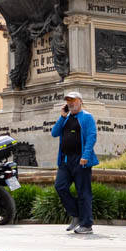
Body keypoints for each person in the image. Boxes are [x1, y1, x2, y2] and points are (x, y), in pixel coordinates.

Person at [51, 90, 97, 235]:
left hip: (81, 159)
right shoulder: (65, 117)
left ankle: (86, 224)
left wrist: (86, 155)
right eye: (68, 101)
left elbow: (91, 137)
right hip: (65, 160)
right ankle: (76, 215)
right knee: (60, 186)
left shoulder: (87, 117)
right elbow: (54, 133)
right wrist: (61, 116)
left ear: (80, 101)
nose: (70, 103)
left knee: (83, 192)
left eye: (73, 100)